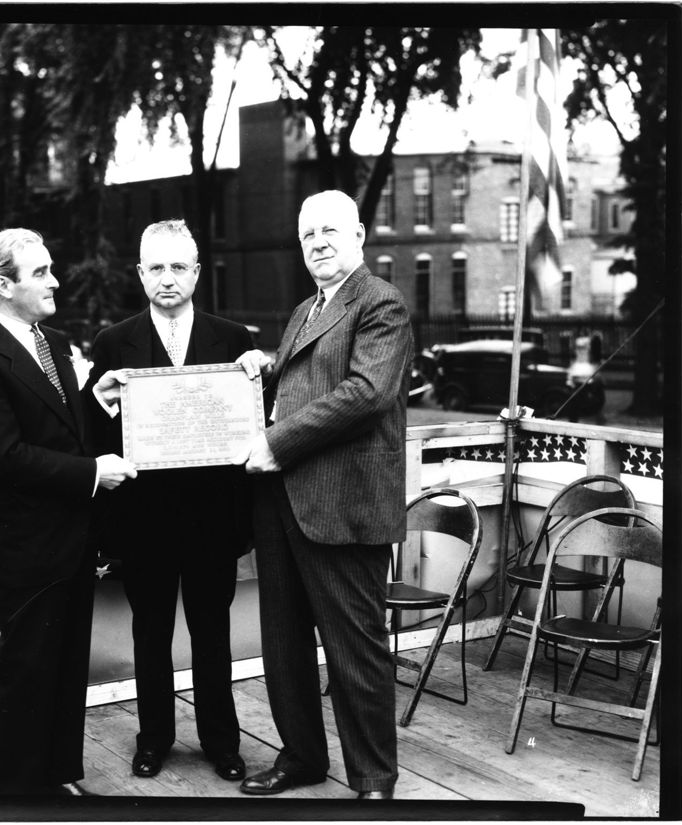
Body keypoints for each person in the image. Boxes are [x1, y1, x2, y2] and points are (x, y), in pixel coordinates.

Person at [233, 190, 412, 800]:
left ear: (359, 235)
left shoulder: (380, 301)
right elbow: (306, 379)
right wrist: (266, 363)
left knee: (354, 651)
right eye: (308, 235)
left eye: (330, 231)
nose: (318, 243)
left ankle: (372, 780)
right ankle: (303, 758)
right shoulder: (304, 309)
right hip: (282, 503)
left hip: (343, 503)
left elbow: (366, 392)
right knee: (283, 647)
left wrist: (277, 442)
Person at [0, 227, 137, 796]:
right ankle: (19, 795)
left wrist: (96, 399)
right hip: (26, 545)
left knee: (64, 667)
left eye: (51, 268)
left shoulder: (53, 343)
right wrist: (93, 473)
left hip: (72, 538)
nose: (55, 281)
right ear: (3, 285)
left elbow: (63, 425)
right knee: (30, 672)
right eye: (40, 273)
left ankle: (58, 779)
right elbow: (7, 457)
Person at [86, 220, 253, 783]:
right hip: (146, 523)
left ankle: (222, 743)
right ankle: (153, 738)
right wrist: (105, 403)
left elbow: (251, 424)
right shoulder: (113, 343)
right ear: (139, 273)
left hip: (212, 520)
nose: (167, 278)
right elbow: (95, 436)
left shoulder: (234, 340)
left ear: (198, 273)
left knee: (213, 635)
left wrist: (261, 378)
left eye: (179, 267)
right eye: (156, 267)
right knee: (150, 636)